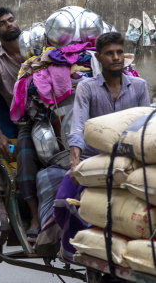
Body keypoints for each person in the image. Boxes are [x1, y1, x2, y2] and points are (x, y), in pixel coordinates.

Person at [55, 31, 151, 260]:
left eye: (119, 52)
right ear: (98, 58)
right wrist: (75, 161)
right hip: (94, 160)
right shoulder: (88, 88)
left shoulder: (139, 86)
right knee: (68, 192)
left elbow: (147, 127)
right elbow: (78, 125)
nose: (116, 57)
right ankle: (74, 243)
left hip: (130, 161)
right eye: (109, 53)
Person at [0, 7, 43, 242]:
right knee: (25, 156)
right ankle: (34, 217)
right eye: (2, 23)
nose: (9, 25)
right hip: (26, 121)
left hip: (54, 116)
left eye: (11, 20)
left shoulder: (40, 47)